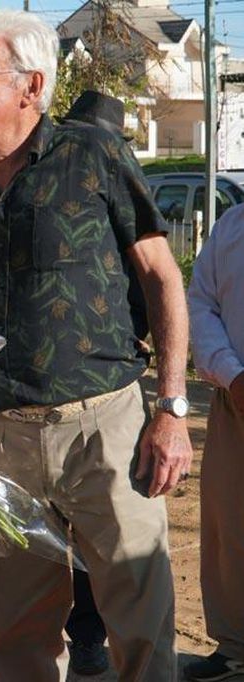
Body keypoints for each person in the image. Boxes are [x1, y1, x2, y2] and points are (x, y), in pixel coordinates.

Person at [0, 10, 191, 681]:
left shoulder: (92, 157)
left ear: (30, 85)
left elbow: (160, 275)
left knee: (140, 625)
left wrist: (171, 409)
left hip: (105, 430)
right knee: (17, 637)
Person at [186, 202, 244, 681]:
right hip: (236, 400)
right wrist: (232, 374)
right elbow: (200, 303)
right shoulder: (231, 225)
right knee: (230, 528)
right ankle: (237, 650)